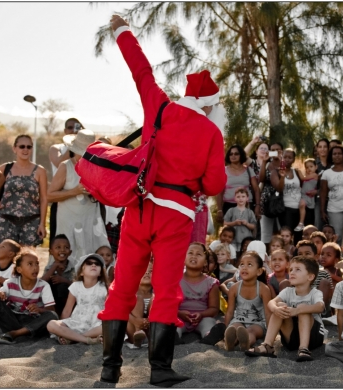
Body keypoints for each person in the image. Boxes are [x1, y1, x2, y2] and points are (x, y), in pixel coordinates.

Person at [98, 15, 227, 387]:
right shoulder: (211, 132)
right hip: (176, 215)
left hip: (139, 208)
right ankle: (160, 369)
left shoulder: (160, 106)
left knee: (122, 286)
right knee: (166, 290)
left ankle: (109, 370)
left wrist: (122, 31)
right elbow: (216, 183)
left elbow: (141, 71)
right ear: (209, 105)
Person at [246, 256, 327, 362]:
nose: (292, 272)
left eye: (297, 269)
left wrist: (298, 310)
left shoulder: (315, 293)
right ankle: (267, 345)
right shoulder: (288, 291)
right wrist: (275, 309)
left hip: (314, 338)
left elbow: (320, 307)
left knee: (303, 308)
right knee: (280, 306)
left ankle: (304, 349)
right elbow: (271, 302)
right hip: (291, 339)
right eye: (291, 269)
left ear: (310, 277)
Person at [47, 130, 110, 258]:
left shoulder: (97, 167)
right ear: (74, 150)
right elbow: (50, 195)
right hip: (68, 222)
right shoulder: (66, 167)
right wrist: (74, 191)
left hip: (90, 221)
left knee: (92, 257)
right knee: (68, 256)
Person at [0, 249, 58, 345]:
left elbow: (51, 310)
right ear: (19, 269)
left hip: (31, 324)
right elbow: (2, 292)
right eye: (30, 264)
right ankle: (12, 333)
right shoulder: (10, 283)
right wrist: (0, 294)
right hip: (12, 321)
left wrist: (39, 309)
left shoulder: (43, 285)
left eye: (37, 264)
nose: (35, 267)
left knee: (52, 315)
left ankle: (14, 334)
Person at [0, 135, 48, 247]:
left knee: (27, 260)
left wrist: (42, 224)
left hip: (31, 223)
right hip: (6, 222)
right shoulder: (5, 168)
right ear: (14, 148)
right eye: (22, 146)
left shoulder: (40, 171)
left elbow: (43, 199)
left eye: (29, 147)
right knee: (5, 260)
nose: (25, 149)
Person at [46, 254, 108, 345]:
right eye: (89, 263)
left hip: (96, 324)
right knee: (51, 324)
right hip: (77, 322)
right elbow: (67, 310)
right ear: (81, 272)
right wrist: (63, 325)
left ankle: (73, 338)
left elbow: (108, 309)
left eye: (97, 264)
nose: (93, 265)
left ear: (100, 273)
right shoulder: (76, 286)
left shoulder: (104, 288)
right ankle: (86, 339)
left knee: (108, 327)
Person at [177, 243, 225, 344]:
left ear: (205, 262)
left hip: (202, 317)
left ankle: (209, 336)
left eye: (199, 254)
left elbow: (214, 309)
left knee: (208, 323)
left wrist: (201, 314)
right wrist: (179, 313)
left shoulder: (211, 283)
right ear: (183, 258)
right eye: (190, 253)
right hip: (179, 315)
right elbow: (168, 304)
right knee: (173, 324)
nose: (194, 256)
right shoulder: (175, 279)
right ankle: (174, 336)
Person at [224, 251, 271, 351]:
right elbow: (230, 311)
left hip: (258, 322)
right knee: (235, 327)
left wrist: (269, 334)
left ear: (259, 271)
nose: (244, 267)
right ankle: (230, 341)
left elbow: (267, 313)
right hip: (239, 319)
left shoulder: (263, 289)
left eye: (249, 264)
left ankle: (246, 343)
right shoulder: (234, 288)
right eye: (242, 264)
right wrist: (226, 327)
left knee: (251, 331)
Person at [48, 118, 84, 247]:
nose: (73, 130)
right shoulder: (56, 148)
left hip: (80, 201)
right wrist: (72, 147)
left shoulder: (85, 150)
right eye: (70, 127)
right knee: (57, 241)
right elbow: (58, 163)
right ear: (64, 130)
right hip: (60, 198)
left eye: (77, 128)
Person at [216, 145, 261, 222]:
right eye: (231, 154)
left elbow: (256, 189)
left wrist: (257, 205)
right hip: (228, 206)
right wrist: (219, 210)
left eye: (236, 154)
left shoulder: (249, 170)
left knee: (246, 232)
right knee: (230, 232)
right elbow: (219, 192)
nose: (233, 156)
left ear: (241, 155)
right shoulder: (223, 171)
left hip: (246, 206)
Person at [41, 234, 75, 316]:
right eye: (58, 247)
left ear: (70, 252)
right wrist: (54, 266)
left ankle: (64, 314)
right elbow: (41, 283)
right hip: (53, 301)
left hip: (68, 301)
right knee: (48, 284)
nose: (62, 250)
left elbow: (79, 286)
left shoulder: (74, 268)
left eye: (66, 247)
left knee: (62, 286)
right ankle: (54, 313)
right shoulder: (49, 268)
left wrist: (64, 281)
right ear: (51, 252)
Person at [258, 142, 284, 244]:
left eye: (278, 149)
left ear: (282, 151)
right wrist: (264, 162)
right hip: (267, 201)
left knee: (282, 231)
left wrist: (282, 160)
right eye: (273, 150)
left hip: (282, 200)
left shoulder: (286, 163)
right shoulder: (268, 164)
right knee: (265, 233)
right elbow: (261, 179)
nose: (276, 152)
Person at [127, 262, 153, 348]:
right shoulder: (130, 292)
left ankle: (151, 338)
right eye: (144, 270)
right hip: (133, 325)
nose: (147, 272)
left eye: (151, 271)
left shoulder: (155, 293)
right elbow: (121, 310)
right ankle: (138, 334)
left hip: (151, 326)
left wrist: (149, 320)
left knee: (157, 298)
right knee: (138, 298)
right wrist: (135, 321)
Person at [295, 158, 319, 231]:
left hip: (308, 197)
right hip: (304, 196)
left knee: (302, 204)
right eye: (307, 167)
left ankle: (301, 223)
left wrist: (298, 171)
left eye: (311, 166)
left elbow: (302, 178)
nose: (309, 169)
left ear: (316, 167)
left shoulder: (314, 175)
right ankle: (301, 222)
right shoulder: (307, 176)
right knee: (302, 205)